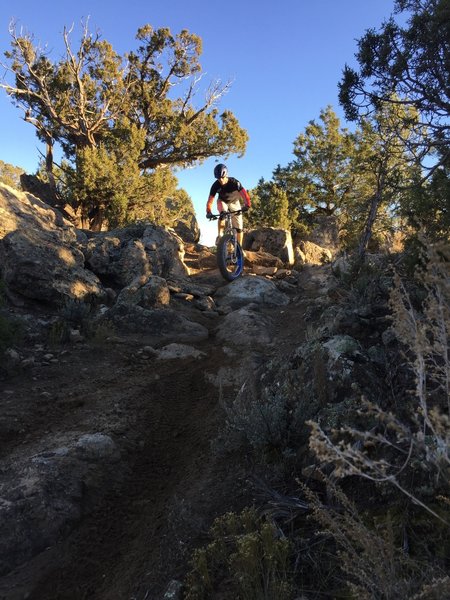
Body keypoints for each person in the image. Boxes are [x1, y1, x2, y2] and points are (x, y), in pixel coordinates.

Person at [206, 163, 251, 247]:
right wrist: (208, 211)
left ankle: (239, 249)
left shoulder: (234, 182)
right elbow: (210, 200)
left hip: (235, 202)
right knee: (222, 213)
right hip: (222, 201)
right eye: (218, 178)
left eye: (222, 177)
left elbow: (244, 194)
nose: (221, 180)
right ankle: (220, 235)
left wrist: (247, 204)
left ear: (226, 175)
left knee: (239, 229)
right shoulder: (215, 185)